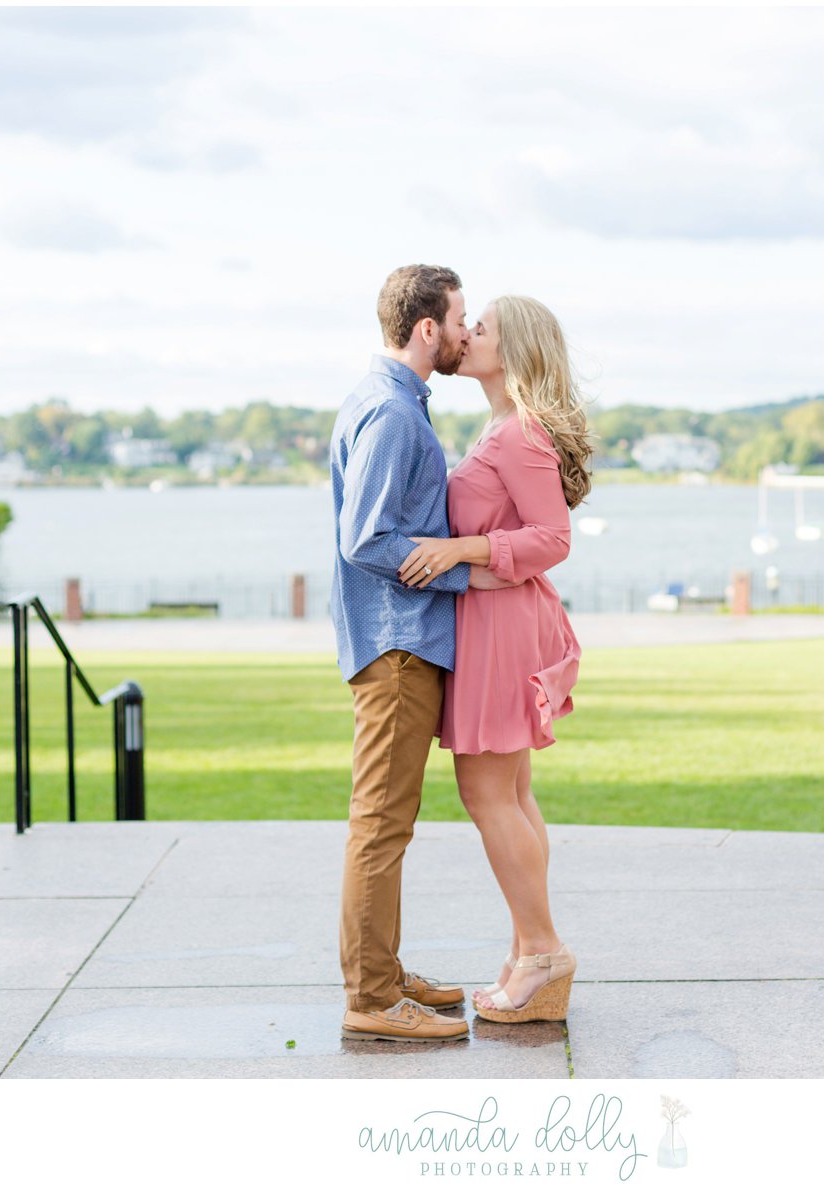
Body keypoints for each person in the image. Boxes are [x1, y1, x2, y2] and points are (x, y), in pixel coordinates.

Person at [329, 264, 515, 1043]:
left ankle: (383, 969)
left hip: (397, 641)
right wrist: (450, 562)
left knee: (386, 820)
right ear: (425, 328)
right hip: (399, 645)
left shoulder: (392, 401)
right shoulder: (394, 415)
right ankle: (372, 997)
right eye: (459, 317)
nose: (467, 330)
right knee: (381, 821)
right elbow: (365, 537)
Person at [396, 295, 593, 1023]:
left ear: (511, 351)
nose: (464, 333)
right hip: (498, 618)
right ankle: (527, 954)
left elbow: (552, 537)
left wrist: (461, 549)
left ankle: (542, 952)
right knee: (510, 794)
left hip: (503, 628)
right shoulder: (504, 427)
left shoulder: (518, 436)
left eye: (479, 328)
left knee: (488, 795)